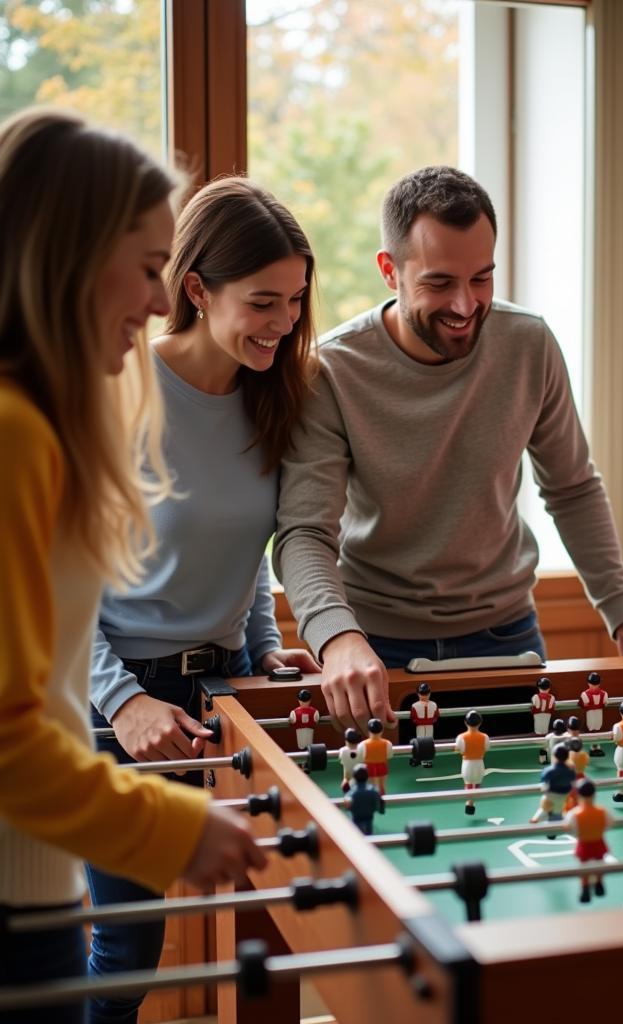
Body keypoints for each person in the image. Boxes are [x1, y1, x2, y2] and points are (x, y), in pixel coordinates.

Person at [0, 109, 265, 1022]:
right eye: (150, 270)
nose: (159, 304)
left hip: (35, 872)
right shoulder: (15, 433)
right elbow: (7, 731)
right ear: (68, 252)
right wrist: (174, 825)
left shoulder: (36, 419)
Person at [274, 165, 623, 732]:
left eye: (482, 278)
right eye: (439, 283)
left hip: (508, 635)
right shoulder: (332, 370)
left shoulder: (529, 343)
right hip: (374, 647)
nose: (466, 306)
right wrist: (337, 637)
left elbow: (572, 487)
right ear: (389, 271)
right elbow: (305, 532)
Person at [86, 176, 319, 1023]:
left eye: (294, 301)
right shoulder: (119, 390)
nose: (284, 323)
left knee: (263, 929)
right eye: (263, 302)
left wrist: (262, 647)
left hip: (228, 699)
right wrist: (123, 701)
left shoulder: (275, 394)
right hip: (120, 701)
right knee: (128, 946)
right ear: (195, 288)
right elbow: (58, 581)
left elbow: (247, 549)